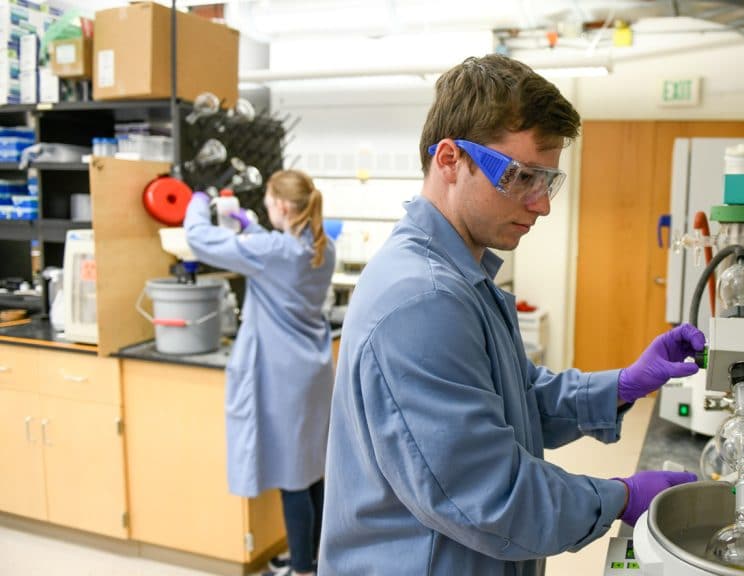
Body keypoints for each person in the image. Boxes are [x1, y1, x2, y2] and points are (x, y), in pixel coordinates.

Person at [318, 54, 705, 575]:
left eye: (547, 180)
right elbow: (492, 497)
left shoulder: (461, 276)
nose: (541, 204)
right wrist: (619, 497)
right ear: (450, 159)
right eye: (521, 176)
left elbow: (516, 401)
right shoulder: (423, 300)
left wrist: (622, 385)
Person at [184, 170, 336, 576]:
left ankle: (302, 569)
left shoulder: (270, 250)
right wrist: (251, 229)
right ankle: (319, 557)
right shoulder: (325, 248)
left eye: (268, 202)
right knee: (314, 470)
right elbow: (277, 254)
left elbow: (199, 239)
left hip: (283, 375)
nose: (266, 209)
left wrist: (198, 200)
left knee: (292, 477)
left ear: (283, 207)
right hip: (315, 372)